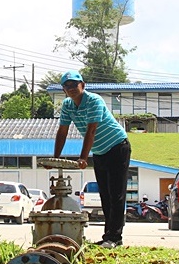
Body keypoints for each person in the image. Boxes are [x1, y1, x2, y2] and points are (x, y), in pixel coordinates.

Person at [52, 70, 131, 248]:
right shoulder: (67, 105)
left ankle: (115, 238)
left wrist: (82, 158)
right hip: (100, 151)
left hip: (117, 146)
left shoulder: (94, 100)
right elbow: (62, 131)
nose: (71, 88)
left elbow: (91, 131)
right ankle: (108, 236)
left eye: (74, 84)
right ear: (63, 90)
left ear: (83, 85)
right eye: (67, 86)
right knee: (105, 194)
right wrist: (55, 158)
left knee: (116, 194)